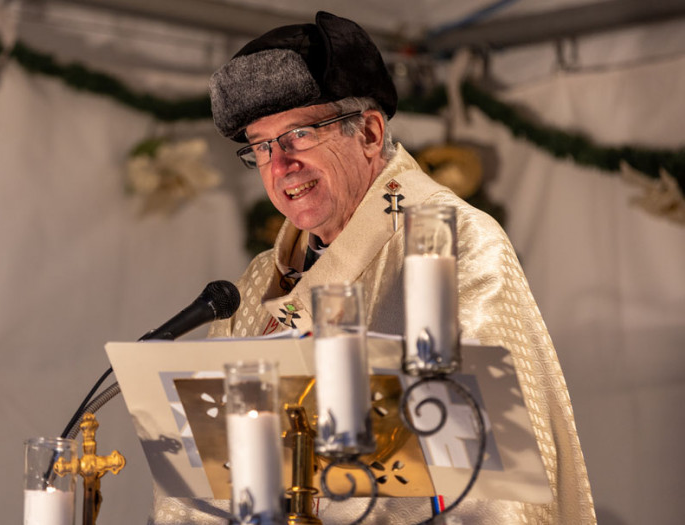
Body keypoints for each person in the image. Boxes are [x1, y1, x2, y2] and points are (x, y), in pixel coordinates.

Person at [159, 10, 594, 525]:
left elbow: (481, 482)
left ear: (368, 132)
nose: (280, 167)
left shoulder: (451, 244)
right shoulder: (257, 282)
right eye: (261, 146)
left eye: (298, 135)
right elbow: (210, 476)